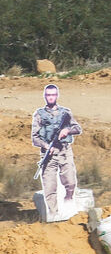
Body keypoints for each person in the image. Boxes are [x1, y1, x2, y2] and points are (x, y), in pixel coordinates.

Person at [31, 83, 83, 221]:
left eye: (53, 95)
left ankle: (68, 198)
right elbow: (34, 138)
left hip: (65, 151)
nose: (50, 97)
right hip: (49, 155)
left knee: (71, 182)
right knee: (50, 187)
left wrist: (67, 130)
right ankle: (53, 215)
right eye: (48, 95)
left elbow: (78, 128)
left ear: (57, 96)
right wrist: (47, 146)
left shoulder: (65, 113)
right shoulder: (39, 115)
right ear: (44, 96)